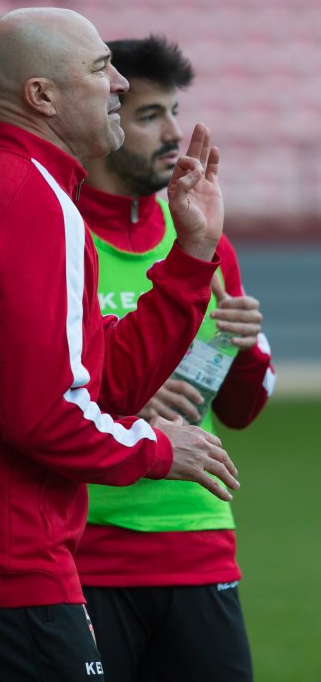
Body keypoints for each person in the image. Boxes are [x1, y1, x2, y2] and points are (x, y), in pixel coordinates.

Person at [0, 8, 239, 682]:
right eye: (100, 69)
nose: (120, 84)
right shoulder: (34, 202)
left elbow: (99, 376)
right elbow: (47, 415)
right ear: (42, 96)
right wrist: (157, 446)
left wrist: (191, 256)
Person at [75, 34, 276, 682]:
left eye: (175, 112)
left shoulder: (197, 231)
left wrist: (241, 349)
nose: (173, 134)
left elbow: (243, 409)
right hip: (85, 551)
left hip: (198, 538)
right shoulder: (57, 230)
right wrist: (125, 390)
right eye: (149, 115)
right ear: (106, 122)